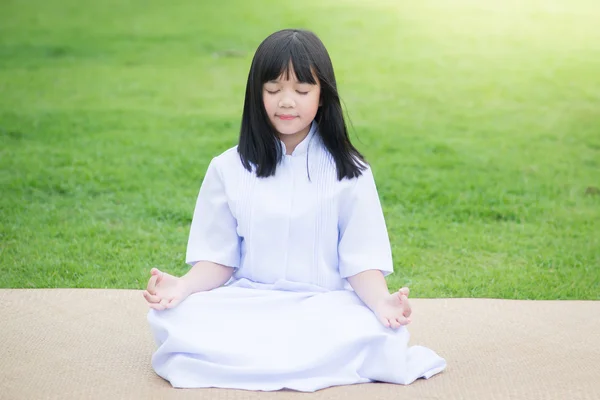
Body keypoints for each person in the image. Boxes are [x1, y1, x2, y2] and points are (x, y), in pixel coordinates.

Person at [144, 28, 446, 392]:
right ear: (257, 95)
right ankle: (296, 360)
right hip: (249, 304)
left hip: (324, 307)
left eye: (302, 91)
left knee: (371, 328)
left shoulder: (350, 171)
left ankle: (264, 360)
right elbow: (219, 259)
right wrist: (184, 285)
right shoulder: (228, 167)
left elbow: (360, 261)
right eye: (273, 90)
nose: (286, 102)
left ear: (323, 96)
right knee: (180, 316)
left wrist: (382, 301)